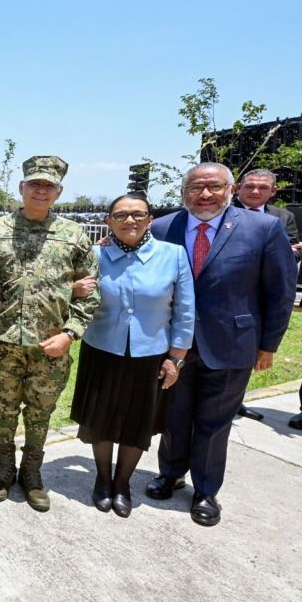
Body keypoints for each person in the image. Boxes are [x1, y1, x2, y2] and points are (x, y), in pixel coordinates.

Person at [146, 162, 296, 526]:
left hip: (232, 343)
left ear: (230, 189)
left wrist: (268, 346)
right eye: (196, 187)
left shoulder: (263, 228)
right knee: (175, 415)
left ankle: (206, 490)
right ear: (184, 192)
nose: (205, 194)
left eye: (214, 187)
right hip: (173, 345)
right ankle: (171, 473)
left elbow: (280, 292)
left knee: (215, 423)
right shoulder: (165, 227)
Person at [0, 155, 99, 513]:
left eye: (48, 186)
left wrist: (70, 334)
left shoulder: (73, 236)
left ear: (58, 192)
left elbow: (92, 291)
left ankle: (32, 473)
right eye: (35, 184)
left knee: (40, 414)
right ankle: (3, 469)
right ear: (22, 188)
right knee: (4, 410)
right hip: (4, 344)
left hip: (51, 347)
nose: (41, 191)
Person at [69, 193, 194, 517]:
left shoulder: (173, 255)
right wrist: (74, 288)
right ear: (109, 221)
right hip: (102, 349)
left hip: (151, 354)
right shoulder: (96, 255)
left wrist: (176, 357)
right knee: (101, 419)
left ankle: (122, 483)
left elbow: (185, 310)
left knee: (137, 422)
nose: (130, 220)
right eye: (121, 215)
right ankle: (103, 478)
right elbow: (70, 292)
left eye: (138, 214)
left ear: (150, 219)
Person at [231, 168, 302, 422]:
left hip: (263, 297)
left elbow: (293, 251)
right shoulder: (222, 212)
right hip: (230, 295)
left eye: (262, 187)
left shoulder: (282, 217)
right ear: (237, 188)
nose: (255, 191)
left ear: (273, 191)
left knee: (251, 351)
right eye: (250, 186)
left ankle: (237, 402)